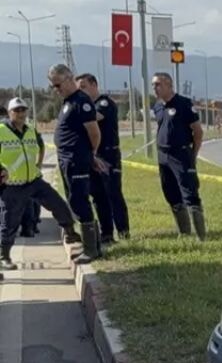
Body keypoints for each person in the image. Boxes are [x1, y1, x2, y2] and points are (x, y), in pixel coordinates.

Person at [0, 97, 82, 271]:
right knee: (9, 222)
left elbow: (41, 145)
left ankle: (70, 233)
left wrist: (39, 163)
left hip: (34, 181)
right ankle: (4, 256)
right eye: (17, 110)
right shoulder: (1, 130)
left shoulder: (30, 130)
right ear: (9, 113)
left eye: (23, 110)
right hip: (12, 185)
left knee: (58, 204)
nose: (21, 113)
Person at [48, 63, 107, 263]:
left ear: (69, 78)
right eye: (53, 86)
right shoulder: (68, 102)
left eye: (58, 85)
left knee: (80, 200)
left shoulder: (81, 101)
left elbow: (94, 132)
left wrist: (90, 155)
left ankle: (91, 249)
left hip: (76, 159)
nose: (56, 90)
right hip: (66, 159)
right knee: (74, 200)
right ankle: (92, 245)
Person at [151, 72, 205, 239]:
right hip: (163, 155)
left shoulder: (183, 104)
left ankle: (200, 236)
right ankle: (184, 232)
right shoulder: (158, 107)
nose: (155, 88)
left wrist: (192, 154)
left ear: (169, 84)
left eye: (158, 84)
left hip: (180, 154)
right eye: (153, 85)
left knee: (189, 193)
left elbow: (197, 131)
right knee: (171, 193)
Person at [77, 73, 130, 241]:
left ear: (94, 85)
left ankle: (123, 232)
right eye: (79, 89)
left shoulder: (104, 103)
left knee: (113, 194)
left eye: (83, 87)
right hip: (93, 156)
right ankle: (106, 233)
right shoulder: (88, 106)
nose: (81, 92)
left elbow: (93, 118)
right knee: (98, 196)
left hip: (108, 155)